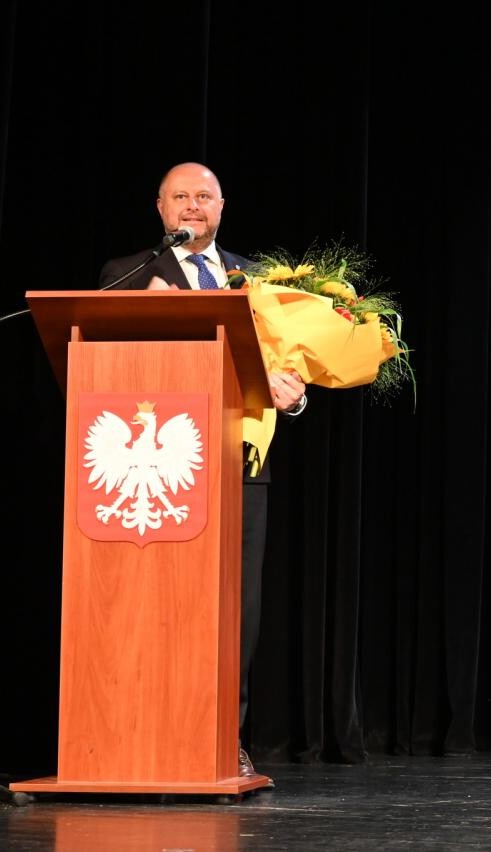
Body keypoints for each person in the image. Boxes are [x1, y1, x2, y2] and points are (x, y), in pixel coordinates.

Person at [99, 162, 306, 780]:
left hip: (241, 464)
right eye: (180, 196)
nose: (192, 206)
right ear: (160, 208)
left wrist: (292, 394)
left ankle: (222, 739)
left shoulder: (264, 281)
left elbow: (285, 363)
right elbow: (107, 365)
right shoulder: (130, 274)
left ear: (222, 207)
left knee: (234, 608)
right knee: (154, 604)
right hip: (154, 469)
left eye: (204, 196)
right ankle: (138, 735)